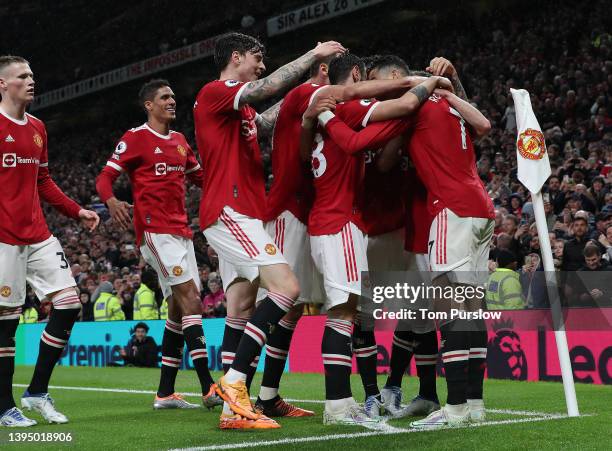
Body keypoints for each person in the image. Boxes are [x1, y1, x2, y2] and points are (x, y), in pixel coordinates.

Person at [320, 56, 494, 428]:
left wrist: (328, 119)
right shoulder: (448, 100)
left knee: (447, 311)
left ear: (396, 78)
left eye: (376, 80)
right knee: (472, 309)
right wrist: (446, 86)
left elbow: (377, 159)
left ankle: (457, 407)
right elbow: (483, 123)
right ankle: (475, 404)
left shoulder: (410, 107)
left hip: (449, 208)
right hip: (481, 207)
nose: (374, 88)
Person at [256, 51, 427, 419]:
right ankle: (338, 402)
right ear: (355, 74)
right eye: (363, 81)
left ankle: (341, 399)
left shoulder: (317, 116)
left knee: (341, 310)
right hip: (339, 220)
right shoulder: (342, 108)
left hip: (327, 219)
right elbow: (395, 110)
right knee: (343, 312)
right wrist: (420, 85)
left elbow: (307, 154)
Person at [193, 32, 345, 429]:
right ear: (236, 56)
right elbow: (266, 88)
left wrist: (308, 95)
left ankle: (232, 413)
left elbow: (264, 117)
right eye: (257, 58)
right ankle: (235, 381)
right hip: (230, 210)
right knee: (287, 289)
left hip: (243, 211)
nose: (261, 65)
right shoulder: (215, 91)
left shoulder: (238, 111)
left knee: (242, 303)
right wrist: (314, 54)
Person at [300, 52, 447, 426]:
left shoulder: (328, 112)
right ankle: (352, 400)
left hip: (370, 224)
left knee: (398, 313)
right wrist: (423, 89)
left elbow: (360, 146)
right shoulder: (349, 108)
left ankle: (392, 392)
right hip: (350, 223)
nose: (371, 93)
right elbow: (370, 146)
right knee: (351, 315)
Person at [96, 79, 220, 410]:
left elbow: (201, 177)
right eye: (165, 97)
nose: (171, 101)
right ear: (148, 105)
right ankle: (209, 386)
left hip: (181, 233)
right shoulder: (135, 138)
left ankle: (165, 393)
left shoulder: (180, 142)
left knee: (180, 311)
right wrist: (111, 201)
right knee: (192, 298)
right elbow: (104, 178)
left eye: (174, 96)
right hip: (154, 232)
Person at [0, 55, 100, 427]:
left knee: (69, 303)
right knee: (6, 324)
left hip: (38, 233)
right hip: (3, 238)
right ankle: (3, 406)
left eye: (32, 75)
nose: (30, 81)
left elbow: (43, 181)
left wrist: (77, 211)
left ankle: (37, 392)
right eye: (22, 76)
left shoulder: (39, 127)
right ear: (2, 84)